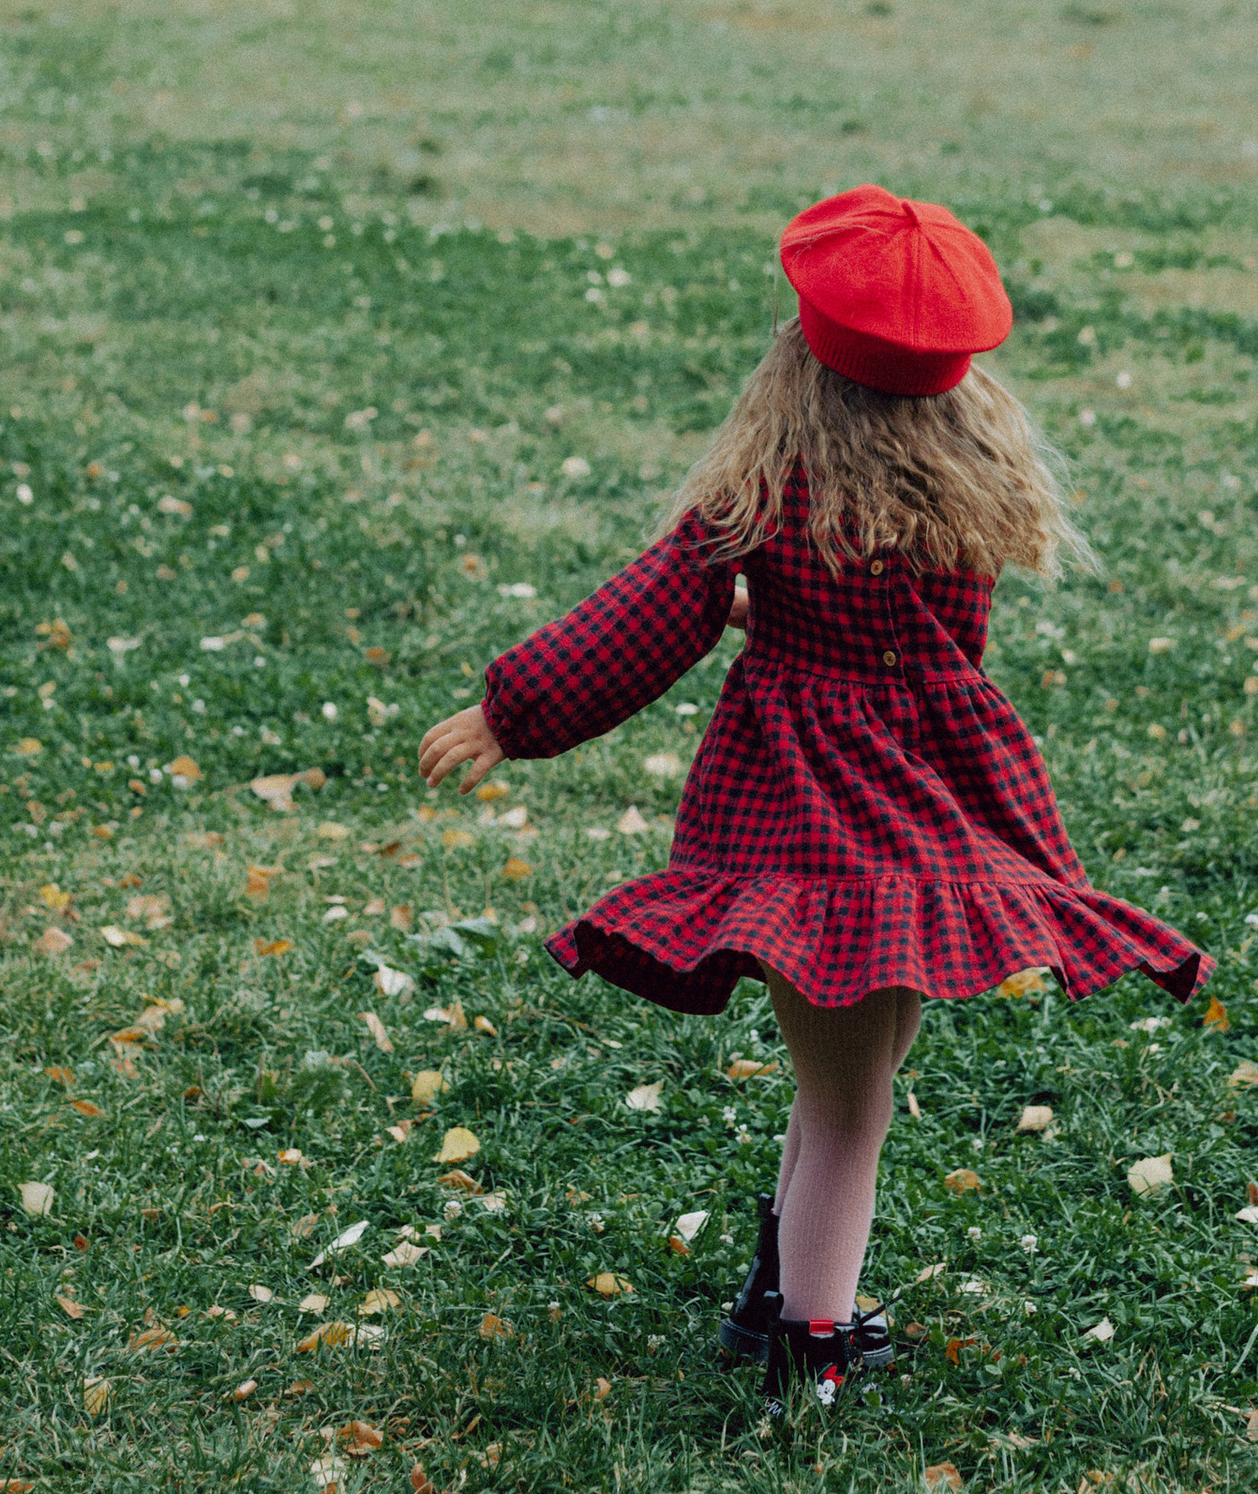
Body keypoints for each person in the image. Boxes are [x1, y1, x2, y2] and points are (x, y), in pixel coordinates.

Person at [417, 186, 1206, 1408]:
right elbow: (897, 632)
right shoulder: (968, 491)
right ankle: (790, 1309)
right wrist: (771, 612)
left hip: (807, 824)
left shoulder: (771, 491)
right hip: (931, 815)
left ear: (802, 351)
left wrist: (512, 714)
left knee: (841, 1102)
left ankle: (806, 1342)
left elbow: (647, 620)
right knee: (856, 1088)